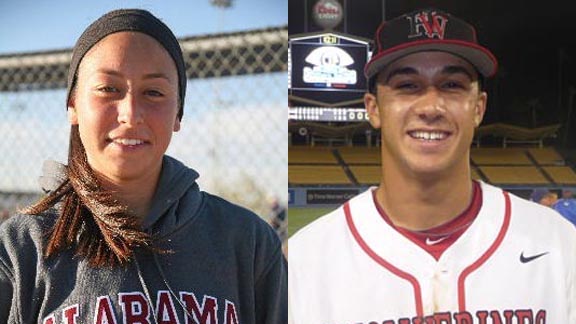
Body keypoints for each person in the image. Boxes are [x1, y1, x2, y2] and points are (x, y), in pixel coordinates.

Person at [288, 8, 576, 323]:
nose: (431, 106)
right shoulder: (306, 262)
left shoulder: (558, 244)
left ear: (478, 108)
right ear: (374, 109)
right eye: (407, 86)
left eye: (452, 85)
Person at [0, 9, 286, 323]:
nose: (131, 114)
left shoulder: (247, 242)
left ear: (178, 114)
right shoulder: (19, 248)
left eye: (154, 92)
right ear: (72, 106)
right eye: (108, 89)